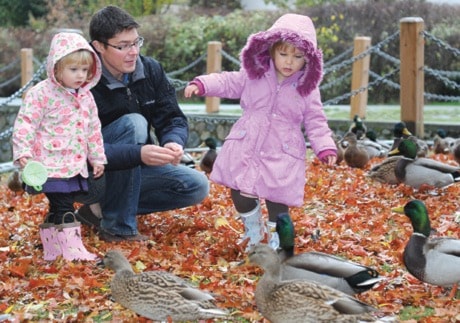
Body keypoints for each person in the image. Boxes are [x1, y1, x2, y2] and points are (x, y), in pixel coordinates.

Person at [184, 14, 337, 250]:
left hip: (282, 151)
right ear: (272, 51)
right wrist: (202, 84)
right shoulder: (254, 74)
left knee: (277, 199)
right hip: (248, 143)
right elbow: (228, 82)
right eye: (283, 54)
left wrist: (324, 146)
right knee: (241, 191)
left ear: (308, 59)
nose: (289, 62)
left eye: (297, 57)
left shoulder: (307, 88)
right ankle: (253, 229)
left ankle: (277, 236)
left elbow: (316, 119)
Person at [81, 5, 209, 242]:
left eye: (136, 42)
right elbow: (80, 149)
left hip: (135, 166)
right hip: (90, 174)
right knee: (134, 124)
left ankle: (98, 211)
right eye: (122, 46)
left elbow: (172, 117)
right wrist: (138, 154)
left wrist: (173, 141)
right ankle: (117, 227)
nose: (133, 52)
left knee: (196, 185)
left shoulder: (150, 69)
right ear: (99, 46)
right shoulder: (82, 77)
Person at [12, 32, 106, 261]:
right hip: (48, 164)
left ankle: (53, 249)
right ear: (56, 68)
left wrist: (97, 157)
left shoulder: (86, 97)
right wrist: (23, 152)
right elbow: (25, 124)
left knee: (58, 206)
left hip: (74, 163)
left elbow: (93, 129)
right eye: (74, 70)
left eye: (85, 70)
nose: (80, 76)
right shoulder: (41, 94)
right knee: (63, 205)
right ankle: (72, 250)